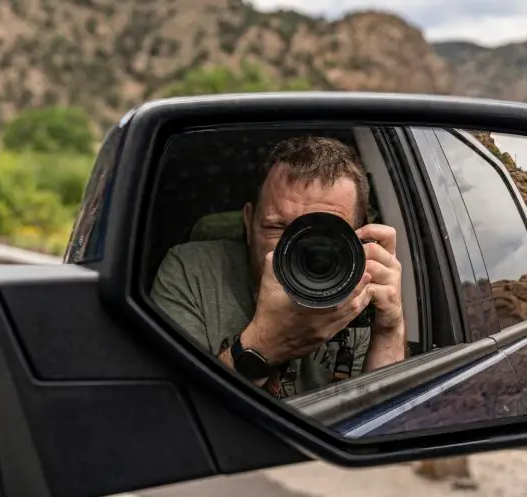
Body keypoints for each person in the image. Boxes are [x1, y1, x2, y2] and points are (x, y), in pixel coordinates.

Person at [150, 135, 406, 398]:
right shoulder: (193, 272)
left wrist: (389, 329)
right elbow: (169, 413)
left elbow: (384, 416)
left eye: (322, 234)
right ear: (248, 224)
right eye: (276, 227)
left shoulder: (360, 294)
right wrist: (262, 347)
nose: (299, 249)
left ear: (359, 238)